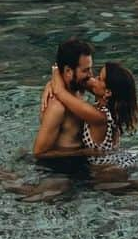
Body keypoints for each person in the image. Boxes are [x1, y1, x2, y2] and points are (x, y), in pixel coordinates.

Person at [44, 61, 138, 169]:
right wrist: (50, 84)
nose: (94, 78)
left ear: (108, 92)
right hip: (118, 160)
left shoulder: (98, 117)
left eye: (99, 78)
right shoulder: (110, 108)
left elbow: (59, 92)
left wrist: (56, 69)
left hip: (108, 173)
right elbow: (79, 81)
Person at [32, 36, 95, 165]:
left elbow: (106, 88)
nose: (91, 75)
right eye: (85, 70)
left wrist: (54, 76)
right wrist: (85, 152)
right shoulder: (57, 108)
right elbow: (39, 152)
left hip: (79, 162)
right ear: (68, 71)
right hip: (61, 169)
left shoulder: (78, 86)